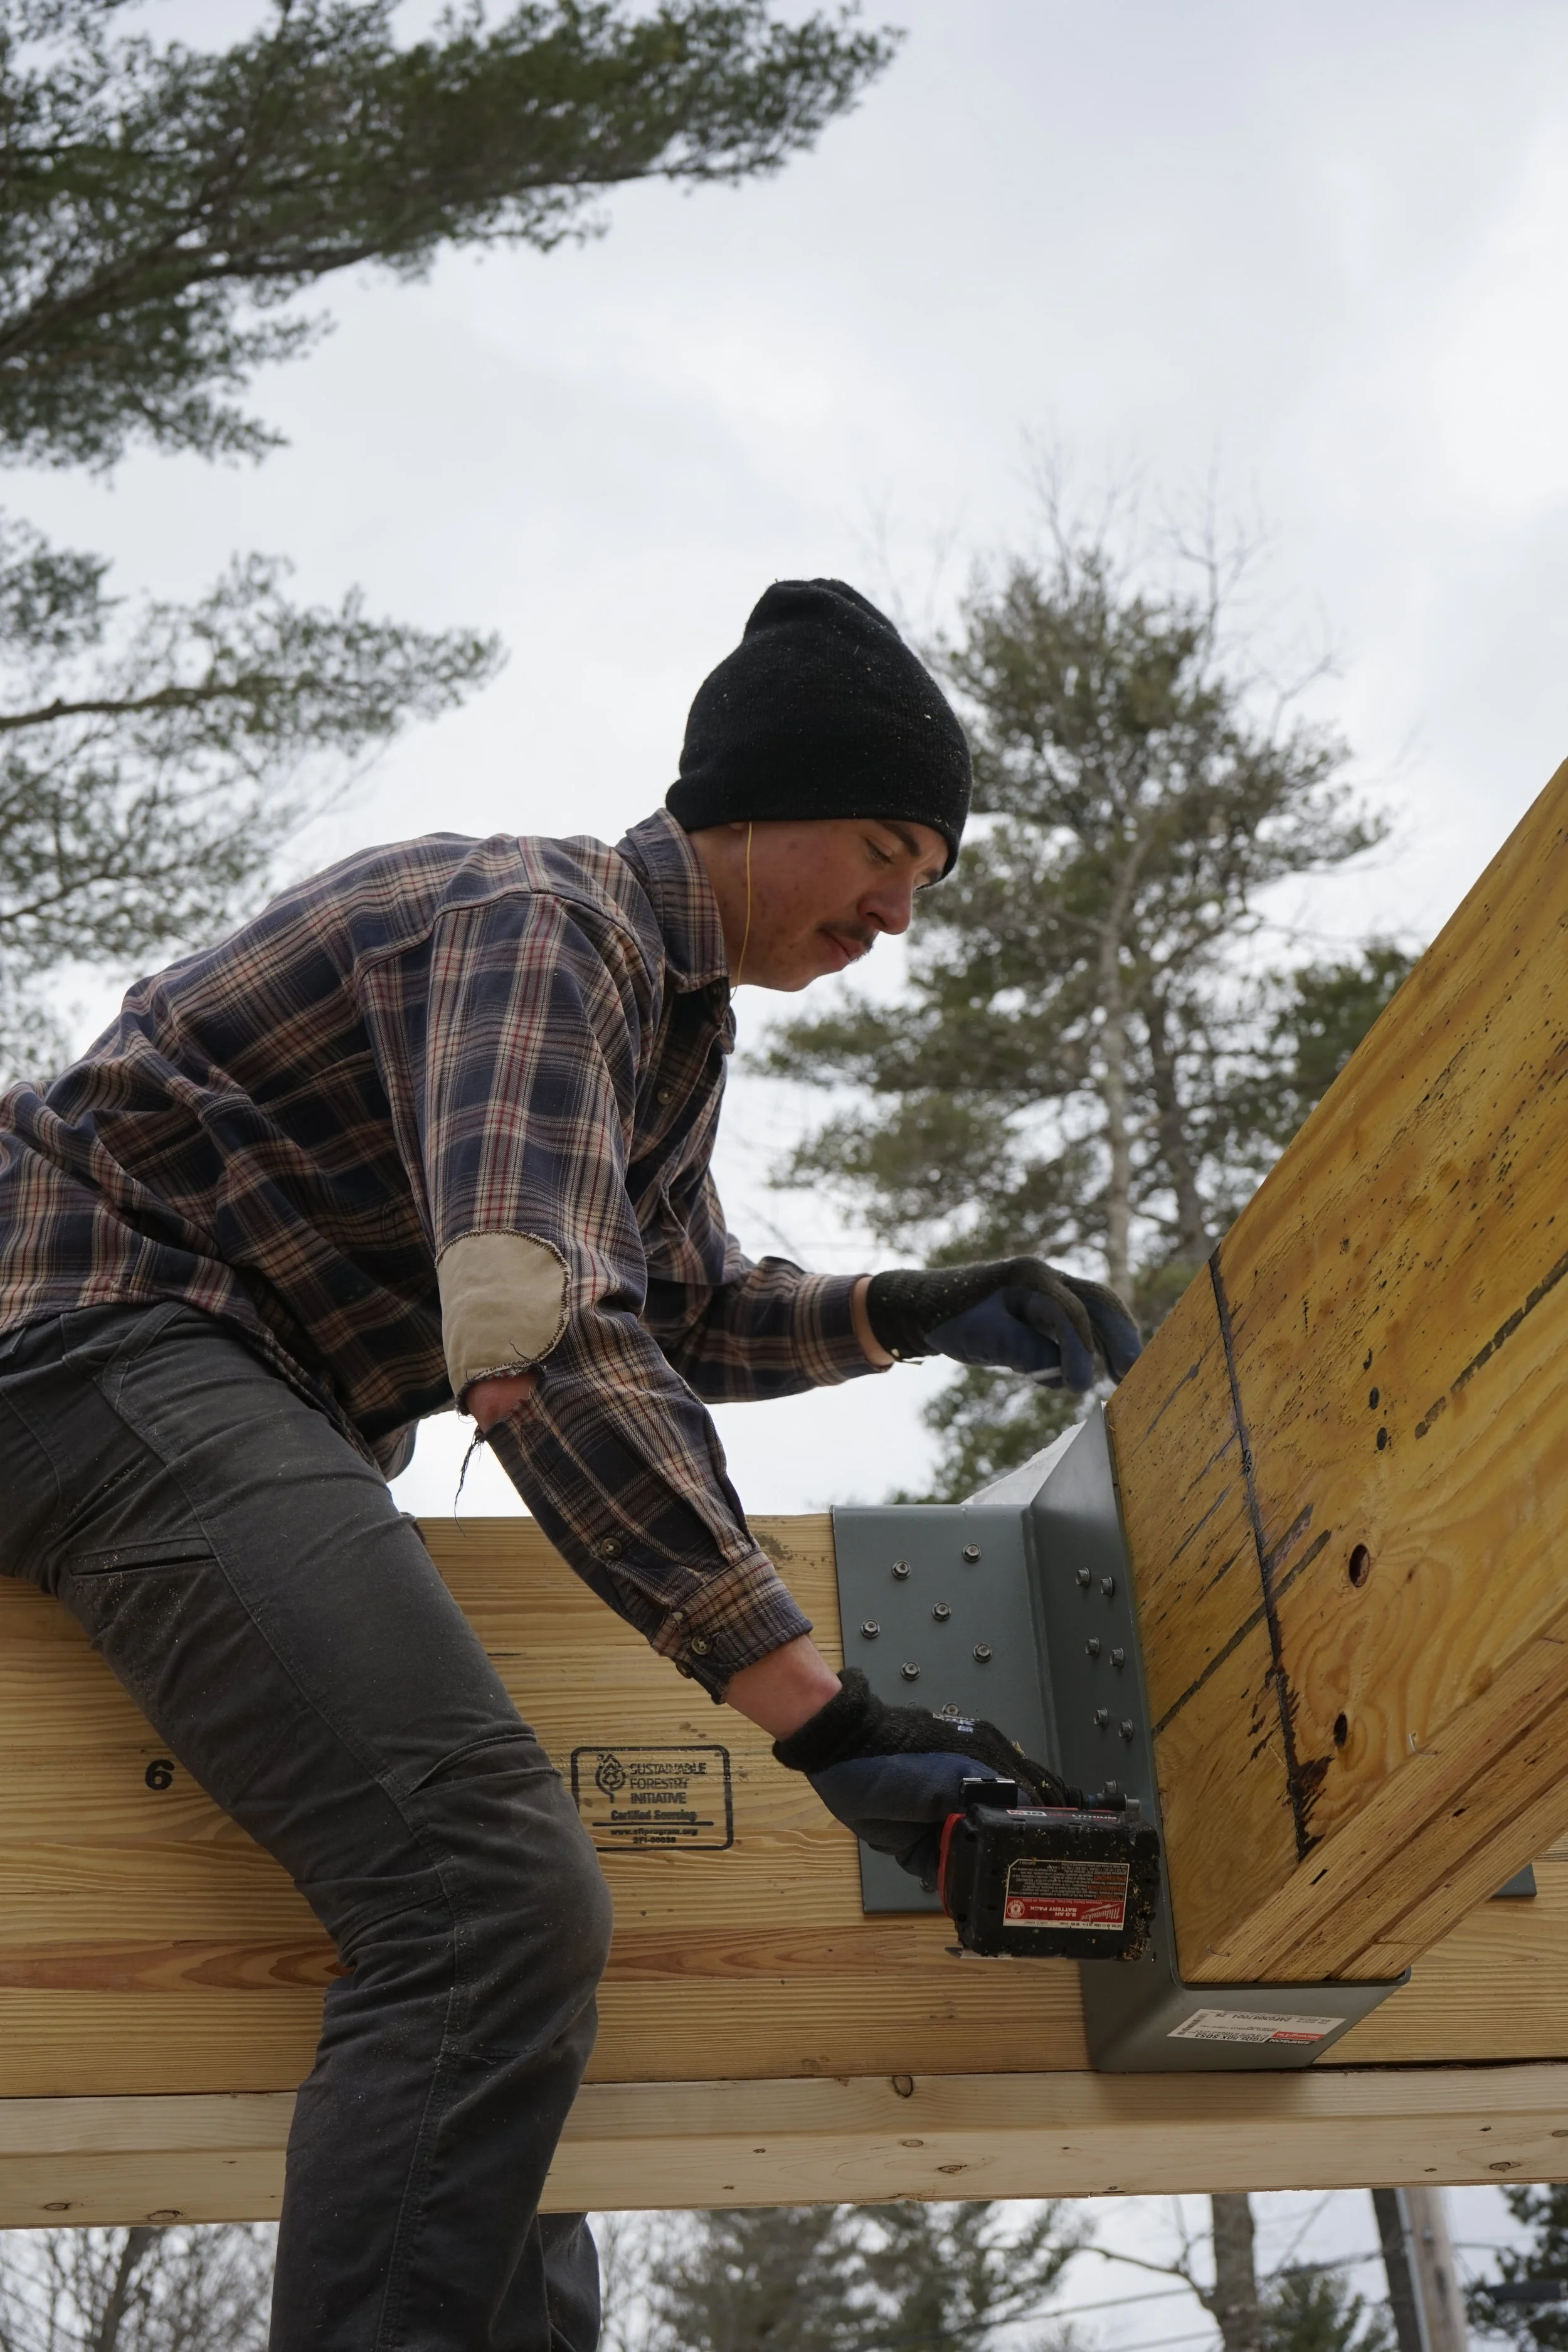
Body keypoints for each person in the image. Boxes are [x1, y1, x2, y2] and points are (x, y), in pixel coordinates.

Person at [0, 579, 1140, 2351]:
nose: (899, 912)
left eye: (930, 876)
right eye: (884, 845)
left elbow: (669, 1302)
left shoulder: (669, 1020)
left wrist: (902, 1310)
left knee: (504, 1995)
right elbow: (537, 1335)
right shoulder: (551, 924)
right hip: (94, 1334)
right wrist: (825, 1721)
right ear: (748, 800)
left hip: (207, 1385)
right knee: (487, 1896)